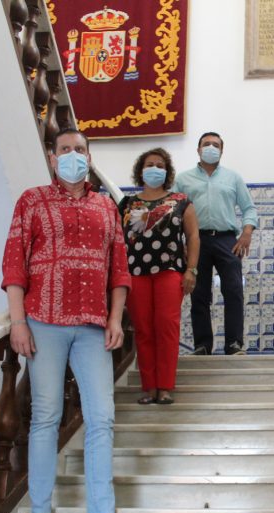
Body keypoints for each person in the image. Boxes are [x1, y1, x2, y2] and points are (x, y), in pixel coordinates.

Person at [1, 128, 142, 513]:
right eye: (65, 150)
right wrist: (18, 321)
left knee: (101, 417)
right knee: (46, 416)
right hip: (43, 320)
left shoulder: (105, 206)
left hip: (93, 326)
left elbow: (119, 268)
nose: (72, 156)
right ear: (52, 158)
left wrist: (115, 318)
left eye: (80, 150)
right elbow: (14, 263)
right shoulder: (32, 201)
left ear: (89, 157)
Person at [119, 147, 200, 405]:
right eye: (149, 165)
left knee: (166, 327)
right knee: (143, 330)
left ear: (167, 172)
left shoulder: (181, 201)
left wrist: (191, 270)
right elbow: (117, 241)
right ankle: (149, 388)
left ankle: (164, 387)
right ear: (140, 170)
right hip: (135, 274)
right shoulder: (126, 204)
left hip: (170, 271)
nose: (154, 169)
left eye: (160, 165)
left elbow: (193, 237)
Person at [174, 132, 259, 355]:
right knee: (199, 293)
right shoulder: (183, 179)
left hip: (227, 240)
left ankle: (234, 344)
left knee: (234, 290)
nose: (211, 147)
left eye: (215, 145)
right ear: (198, 149)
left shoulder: (233, 178)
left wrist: (247, 232)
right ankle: (202, 345)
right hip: (196, 240)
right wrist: (180, 243)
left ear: (221, 151)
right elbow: (173, 213)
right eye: (206, 144)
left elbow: (249, 208)